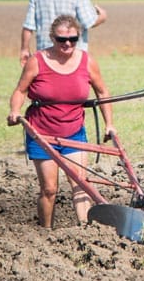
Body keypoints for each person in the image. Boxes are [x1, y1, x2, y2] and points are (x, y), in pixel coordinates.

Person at [8, 14, 116, 228]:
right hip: (41, 134)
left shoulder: (87, 61)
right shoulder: (37, 61)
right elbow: (20, 91)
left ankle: (85, 231)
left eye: (73, 39)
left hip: (74, 132)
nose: (67, 44)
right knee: (49, 189)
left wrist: (109, 123)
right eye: (61, 40)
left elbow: (103, 92)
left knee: (80, 184)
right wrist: (14, 111)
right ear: (52, 38)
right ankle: (46, 233)